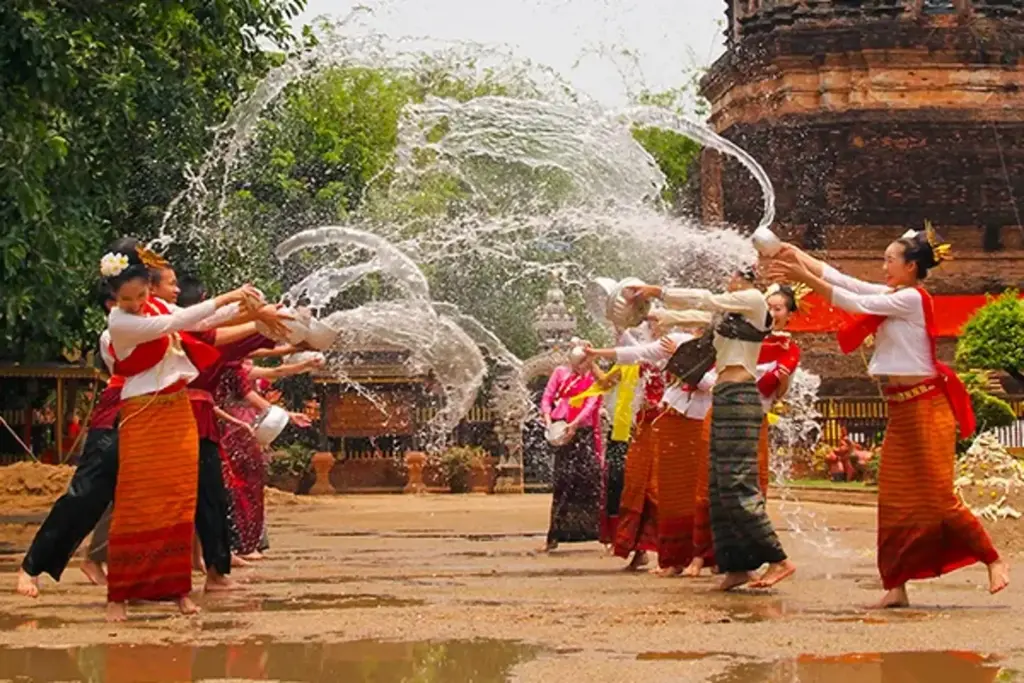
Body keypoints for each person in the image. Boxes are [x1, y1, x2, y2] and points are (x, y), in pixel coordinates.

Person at [765, 227, 1009, 608]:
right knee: (893, 501)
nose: (883, 267)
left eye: (889, 260)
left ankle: (992, 559)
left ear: (911, 266)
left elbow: (851, 300)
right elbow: (846, 281)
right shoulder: (895, 295)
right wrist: (799, 255)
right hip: (901, 408)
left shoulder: (912, 298)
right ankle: (896, 585)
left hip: (928, 407)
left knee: (938, 498)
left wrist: (802, 278)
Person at [100, 237, 257, 621]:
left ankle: (177, 590)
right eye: (127, 298)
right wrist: (224, 299)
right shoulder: (120, 321)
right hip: (143, 415)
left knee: (179, 501)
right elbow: (176, 321)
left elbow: (199, 322)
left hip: (177, 412)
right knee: (138, 502)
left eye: (140, 295)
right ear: (114, 297)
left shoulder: (153, 305)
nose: (135, 303)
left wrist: (245, 306)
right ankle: (118, 595)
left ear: (148, 288)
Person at [634, 267, 796, 591]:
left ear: (746, 280)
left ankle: (779, 559)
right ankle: (736, 567)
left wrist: (659, 290)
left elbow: (705, 299)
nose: (728, 282)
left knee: (736, 483)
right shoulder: (729, 316)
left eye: (733, 277)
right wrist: (655, 312)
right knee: (719, 486)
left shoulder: (752, 300)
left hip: (741, 397)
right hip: (722, 397)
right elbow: (700, 310)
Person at [16, 285, 121, 597]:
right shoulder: (118, 331)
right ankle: (32, 566)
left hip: (158, 420)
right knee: (85, 496)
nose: (174, 291)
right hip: (117, 419)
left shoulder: (165, 320)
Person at [586, 323, 715, 576]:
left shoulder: (714, 349)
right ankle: (664, 556)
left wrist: (682, 356)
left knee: (682, 493)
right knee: (646, 489)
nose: (654, 327)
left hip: (694, 425)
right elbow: (635, 352)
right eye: (651, 322)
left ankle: (695, 558)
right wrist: (598, 351)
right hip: (658, 424)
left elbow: (712, 385)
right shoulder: (668, 345)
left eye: (659, 321)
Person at [217, 356, 317, 559]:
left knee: (250, 485)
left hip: (250, 430)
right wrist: (304, 364)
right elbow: (275, 372)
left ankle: (250, 541)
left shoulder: (243, 366)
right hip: (238, 430)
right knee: (241, 486)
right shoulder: (236, 369)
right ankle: (243, 543)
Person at [539, 342, 604, 552]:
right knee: (563, 482)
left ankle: (600, 534)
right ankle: (555, 535)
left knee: (591, 481)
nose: (580, 368)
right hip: (562, 431)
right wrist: (549, 421)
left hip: (581, 432)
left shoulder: (593, 378)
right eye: (577, 364)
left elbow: (592, 403)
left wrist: (575, 425)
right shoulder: (560, 373)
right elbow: (547, 397)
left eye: (583, 364)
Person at [754, 284, 804, 495]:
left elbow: (778, 393)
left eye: (778, 309)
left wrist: (782, 380)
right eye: (769, 308)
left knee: (754, 472)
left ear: (788, 315)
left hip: (756, 412)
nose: (772, 313)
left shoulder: (789, 350)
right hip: (725, 407)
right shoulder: (745, 337)